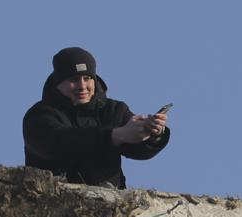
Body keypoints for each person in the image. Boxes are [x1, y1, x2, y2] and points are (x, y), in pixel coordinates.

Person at [23, 47, 169, 188]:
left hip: (109, 200)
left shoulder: (114, 110)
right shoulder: (38, 116)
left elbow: (137, 150)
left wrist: (152, 134)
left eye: (87, 78)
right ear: (58, 83)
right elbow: (60, 143)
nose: (82, 86)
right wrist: (114, 136)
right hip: (55, 200)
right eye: (74, 79)